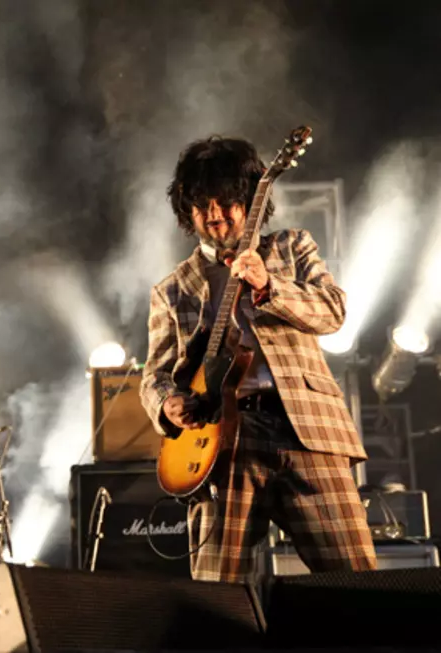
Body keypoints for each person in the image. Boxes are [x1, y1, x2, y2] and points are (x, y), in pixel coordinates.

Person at [139, 135, 377, 583]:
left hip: (308, 432)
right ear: (186, 212)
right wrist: (166, 405)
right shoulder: (171, 289)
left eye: (227, 201)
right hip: (221, 441)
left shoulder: (291, 247)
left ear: (249, 202)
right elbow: (154, 375)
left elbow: (334, 312)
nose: (215, 214)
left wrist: (271, 286)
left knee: (359, 584)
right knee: (219, 593)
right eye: (202, 205)